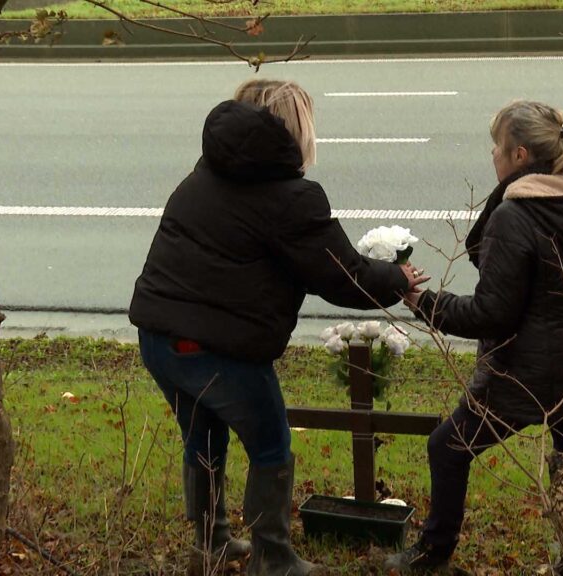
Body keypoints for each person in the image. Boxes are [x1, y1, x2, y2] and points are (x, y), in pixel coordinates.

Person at [129, 79, 429, 576]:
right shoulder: (292, 197)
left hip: (160, 338)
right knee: (271, 447)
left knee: (203, 440)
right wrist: (396, 277)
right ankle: (272, 557)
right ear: (296, 131)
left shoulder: (205, 172)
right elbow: (340, 274)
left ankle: (211, 544)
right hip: (223, 351)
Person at [385, 100, 563, 575]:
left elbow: (491, 314)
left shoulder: (518, 215)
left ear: (521, 156)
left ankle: (433, 554)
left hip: (526, 372)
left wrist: (424, 303)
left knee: (447, 447)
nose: (493, 156)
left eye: (497, 148)